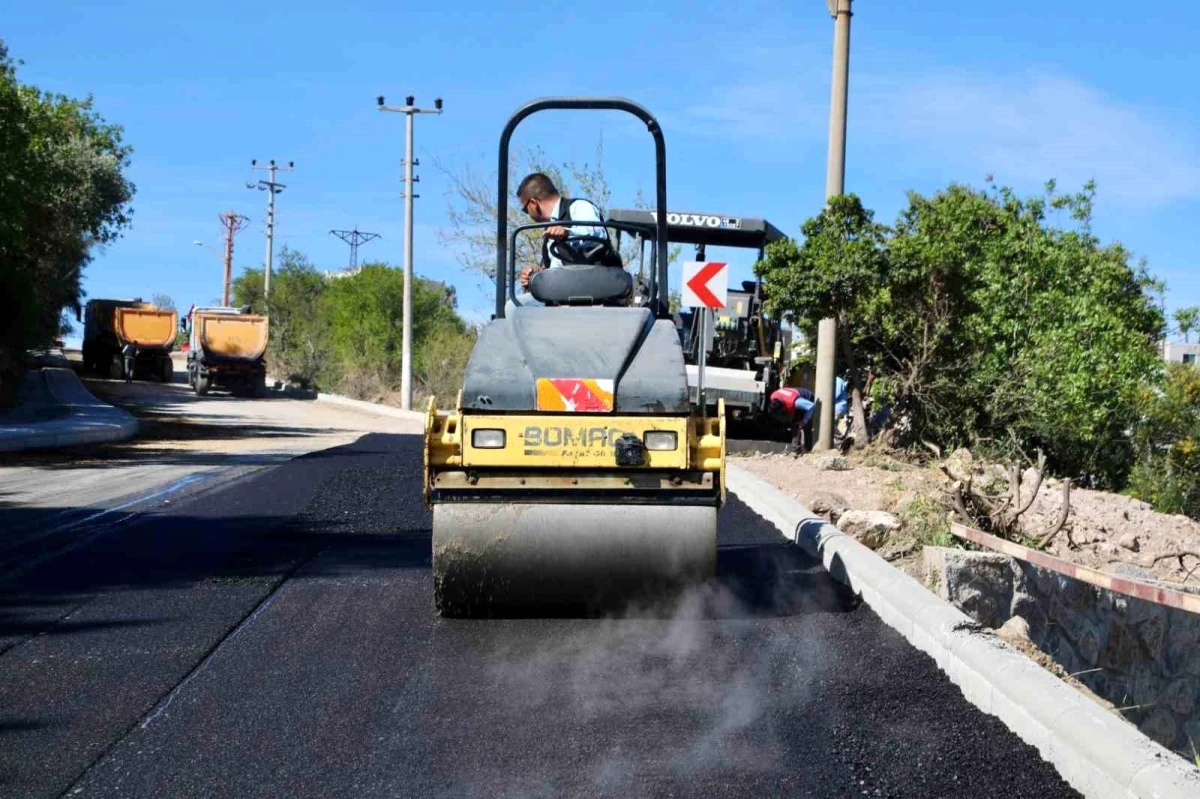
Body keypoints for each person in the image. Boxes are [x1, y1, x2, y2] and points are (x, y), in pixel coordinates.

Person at [513, 173, 619, 305]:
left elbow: (596, 234)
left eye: (525, 210)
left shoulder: (579, 207)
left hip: (590, 289)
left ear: (534, 203)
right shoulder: (550, 231)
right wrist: (535, 276)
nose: (527, 213)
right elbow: (555, 267)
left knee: (514, 307)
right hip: (558, 293)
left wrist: (567, 233)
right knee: (516, 305)